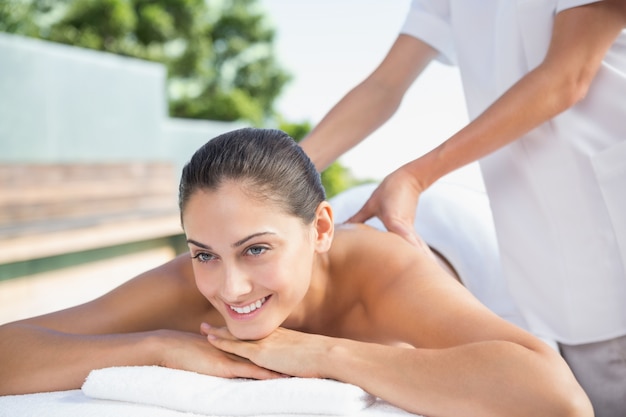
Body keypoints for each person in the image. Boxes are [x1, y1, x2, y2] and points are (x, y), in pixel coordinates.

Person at [0, 128, 590, 417]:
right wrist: (157, 346)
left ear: (321, 231)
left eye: (256, 250)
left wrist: (320, 353)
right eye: (204, 252)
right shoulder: (191, 284)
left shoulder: (386, 274)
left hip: (454, 238)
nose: (229, 288)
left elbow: (557, 398)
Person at [299, 2, 626, 415]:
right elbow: (385, 84)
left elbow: (568, 76)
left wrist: (417, 176)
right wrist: (272, 175)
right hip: (555, 273)